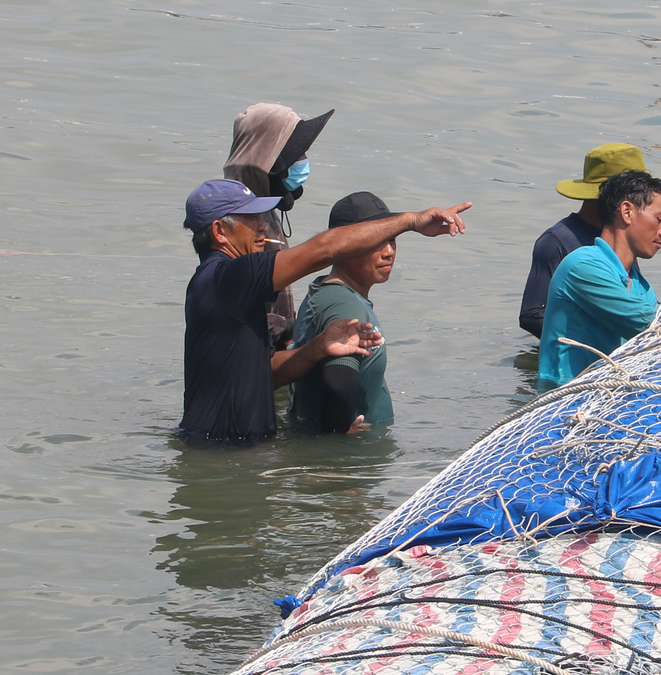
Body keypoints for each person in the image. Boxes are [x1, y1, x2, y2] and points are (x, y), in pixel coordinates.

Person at [181, 176, 469, 445]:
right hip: (222, 454)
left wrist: (317, 348)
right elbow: (324, 250)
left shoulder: (222, 287)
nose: (263, 227)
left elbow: (263, 373)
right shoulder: (228, 277)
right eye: (251, 219)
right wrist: (410, 221)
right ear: (220, 231)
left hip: (230, 449)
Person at [519, 142, 661, 337]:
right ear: (623, 206)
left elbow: (635, 309)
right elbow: (532, 314)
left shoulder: (626, 245)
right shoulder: (560, 242)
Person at [538, 170, 661, 390]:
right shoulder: (583, 265)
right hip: (564, 398)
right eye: (659, 220)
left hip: (606, 392)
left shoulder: (640, 285)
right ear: (627, 212)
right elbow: (652, 326)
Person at [226, 102, 335, 349]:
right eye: (298, 154)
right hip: (253, 362)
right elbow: (237, 311)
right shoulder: (239, 219)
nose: (304, 161)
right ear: (272, 159)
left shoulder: (265, 208)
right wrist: (295, 330)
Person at [292, 191, 400, 434]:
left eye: (392, 238)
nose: (389, 251)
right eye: (375, 241)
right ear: (343, 244)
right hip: (351, 462)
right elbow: (338, 383)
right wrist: (340, 433)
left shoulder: (325, 290)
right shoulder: (344, 305)